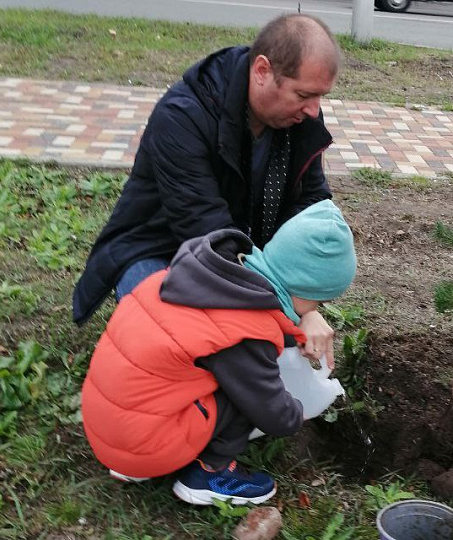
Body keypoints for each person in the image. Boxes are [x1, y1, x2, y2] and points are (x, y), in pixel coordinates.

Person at [72, 13, 341, 365]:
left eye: (320, 96)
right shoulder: (183, 116)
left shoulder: (298, 116)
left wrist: (308, 305)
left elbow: (311, 212)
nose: (313, 110)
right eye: (304, 95)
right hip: (160, 250)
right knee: (190, 346)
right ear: (261, 71)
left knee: (267, 342)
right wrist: (287, 307)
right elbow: (205, 232)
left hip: (241, 252)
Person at [80, 200, 356, 506]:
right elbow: (270, 411)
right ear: (306, 290)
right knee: (245, 394)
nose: (317, 310)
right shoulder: (246, 329)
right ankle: (210, 475)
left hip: (110, 425)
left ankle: (137, 463)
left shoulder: (203, 275)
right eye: (319, 302)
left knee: (218, 375)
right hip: (140, 442)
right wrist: (295, 413)